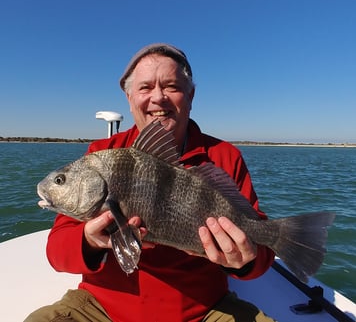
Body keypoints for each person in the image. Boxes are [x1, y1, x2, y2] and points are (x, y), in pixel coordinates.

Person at [25, 43, 276, 322]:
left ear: (190, 95)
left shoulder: (224, 157)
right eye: (145, 88)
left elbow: (262, 253)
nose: (158, 98)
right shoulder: (101, 155)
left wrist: (245, 260)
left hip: (204, 311)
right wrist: (89, 241)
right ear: (129, 96)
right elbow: (57, 251)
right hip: (102, 309)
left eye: (171, 86)